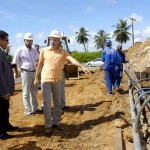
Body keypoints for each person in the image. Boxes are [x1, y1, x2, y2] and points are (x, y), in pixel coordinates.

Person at [34, 29, 90, 134]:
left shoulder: (63, 52)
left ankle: (57, 122)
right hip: (46, 80)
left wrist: (82, 66)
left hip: (57, 80)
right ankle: (48, 125)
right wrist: (36, 78)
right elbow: (40, 64)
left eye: (55, 40)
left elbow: (72, 59)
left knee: (57, 103)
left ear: (59, 41)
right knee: (46, 103)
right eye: (51, 39)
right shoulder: (44, 51)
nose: (52, 41)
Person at [12, 32, 42, 116]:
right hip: (25, 73)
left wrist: (37, 63)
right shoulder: (20, 50)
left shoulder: (34, 51)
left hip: (34, 73)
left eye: (31, 41)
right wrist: (16, 73)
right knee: (26, 93)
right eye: (28, 40)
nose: (30, 42)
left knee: (34, 92)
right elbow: (14, 63)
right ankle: (28, 110)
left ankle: (35, 108)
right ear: (24, 40)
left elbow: (38, 60)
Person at [0, 30, 19, 140]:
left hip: (3, 88)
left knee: (5, 108)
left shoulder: (2, 51)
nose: (8, 42)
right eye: (6, 40)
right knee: (1, 110)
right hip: (1, 89)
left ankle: (6, 125)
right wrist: (4, 90)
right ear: (0, 40)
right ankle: (1, 132)